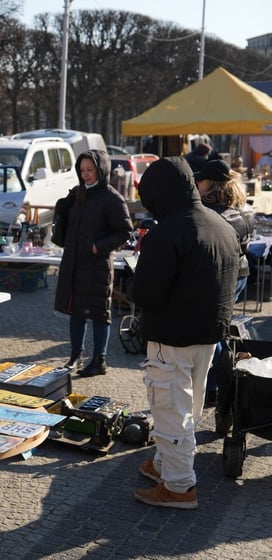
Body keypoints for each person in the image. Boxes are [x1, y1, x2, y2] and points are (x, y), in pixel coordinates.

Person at [131, 157, 240, 510]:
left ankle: (178, 487)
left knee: (170, 410)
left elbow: (145, 293)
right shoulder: (221, 225)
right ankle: (165, 465)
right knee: (188, 406)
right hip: (209, 337)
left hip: (171, 337)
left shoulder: (166, 232)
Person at [51, 149, 133, 377]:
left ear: (101, 170)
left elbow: (125, 231)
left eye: (90, 170)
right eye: (82, 170)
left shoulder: (111, 197)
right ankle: (75, 357)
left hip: (97, 265)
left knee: (99, 313)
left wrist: (100, 246)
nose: (86, 174)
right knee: (75, 311)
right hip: (75, 262)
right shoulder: (78, 194)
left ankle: (100, 360)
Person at [194, 159, 254, 409]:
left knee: (213, 333)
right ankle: (218, 385)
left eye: (201, 180)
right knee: (219, 329)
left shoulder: (211, 214)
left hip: (221, 277)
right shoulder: (244, 210)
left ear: (211, 184)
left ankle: (217, 386)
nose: (197, 183)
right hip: (239, 275)